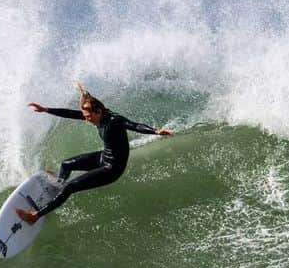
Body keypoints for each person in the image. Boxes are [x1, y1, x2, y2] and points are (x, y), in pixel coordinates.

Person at [15, 83, 173, 224]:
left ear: (98, 112)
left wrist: (156, 131)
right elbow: (71, 113)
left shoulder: (114, 120)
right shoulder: (94, 114)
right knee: (66, 164)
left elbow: (134, 125)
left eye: (88, 116)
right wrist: (46, 110)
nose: (86, 119)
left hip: (112, 170)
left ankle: (35, 216)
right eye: (85, 116)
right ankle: (58, 186)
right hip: (104, 157)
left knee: (71, 187)